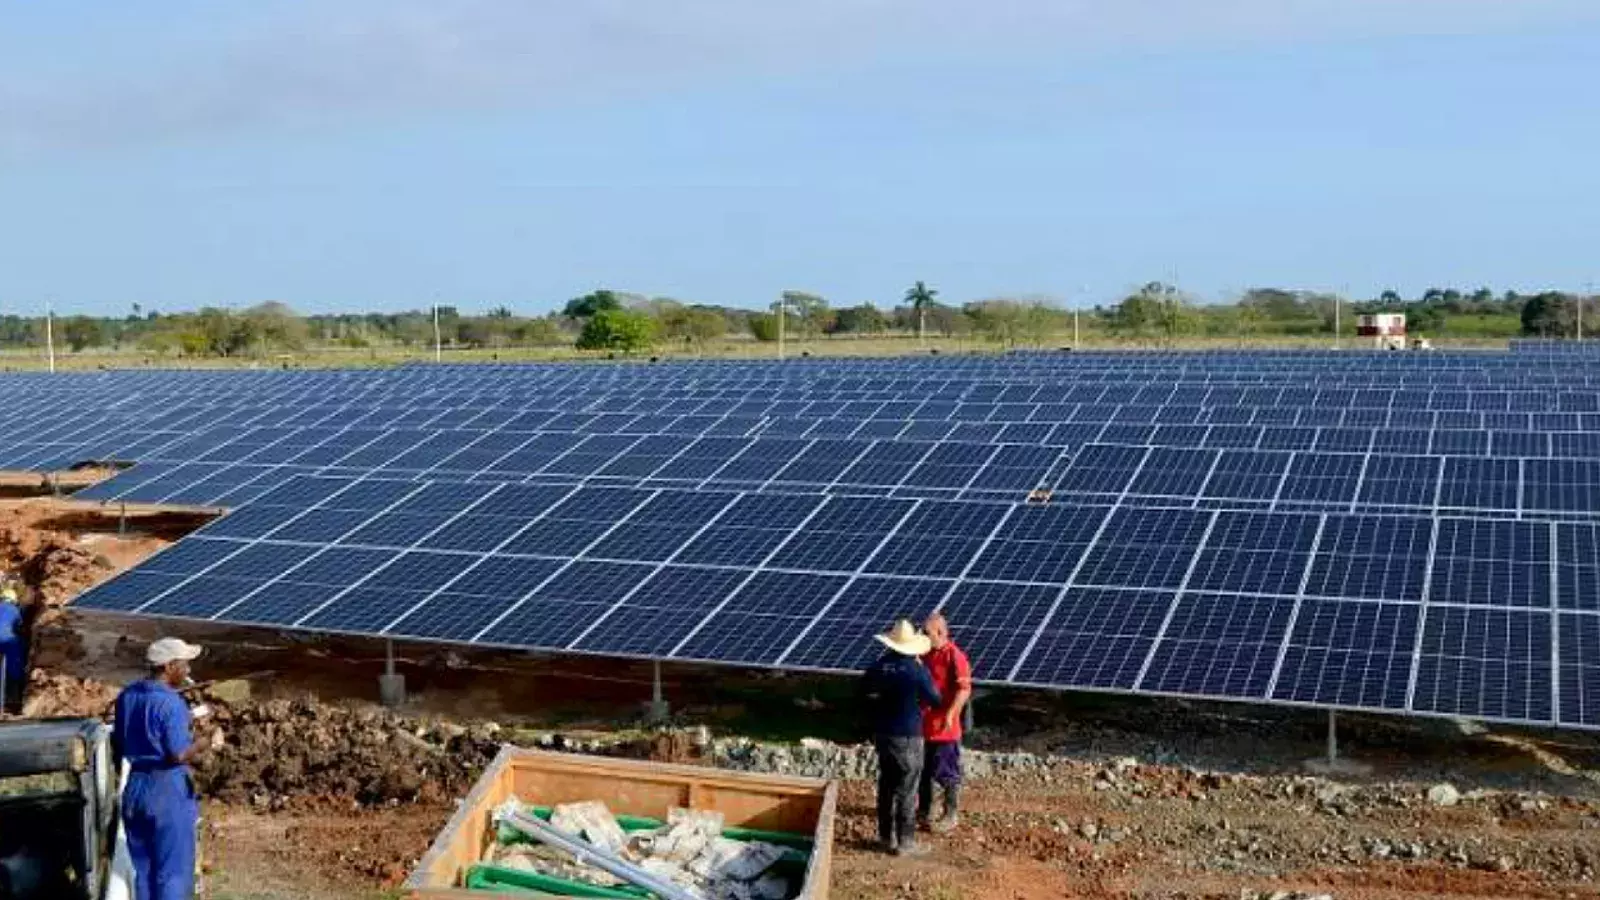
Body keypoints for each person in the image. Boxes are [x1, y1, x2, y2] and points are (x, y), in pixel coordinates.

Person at [113, 637, 208, 900]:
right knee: (172, 872)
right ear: (169, 666)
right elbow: (178, 754)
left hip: (135, 787)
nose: (188, 670)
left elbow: (119, 741)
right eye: (185, 664)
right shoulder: (171, 703)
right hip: (167, 789)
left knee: (143, 871)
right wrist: (203, 742)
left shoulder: (127, 696)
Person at [861, 619, 941, 857]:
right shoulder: (916, 671)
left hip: (883, 733)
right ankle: (906, 842)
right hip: (908, 735)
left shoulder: (879, 667)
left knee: (886, 784)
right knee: (907, 787)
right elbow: (935, 699)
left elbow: (862, 690)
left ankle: (886, 837)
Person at [917, 612, 973, 833]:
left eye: (926, 632)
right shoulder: (926, 654)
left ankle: (951, 814)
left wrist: (951, 713)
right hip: (925, 725)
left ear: (940, 632)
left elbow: (964, 689)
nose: (923, 635)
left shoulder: (954, 656)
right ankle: (925, 810)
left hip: (945, 729)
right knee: (924, 770)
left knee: (947, 771)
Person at [0, 587, 24, 712]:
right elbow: (19, 626)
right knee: (14, 668)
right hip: (9, 640)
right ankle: (12, 700)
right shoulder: (15, 610)